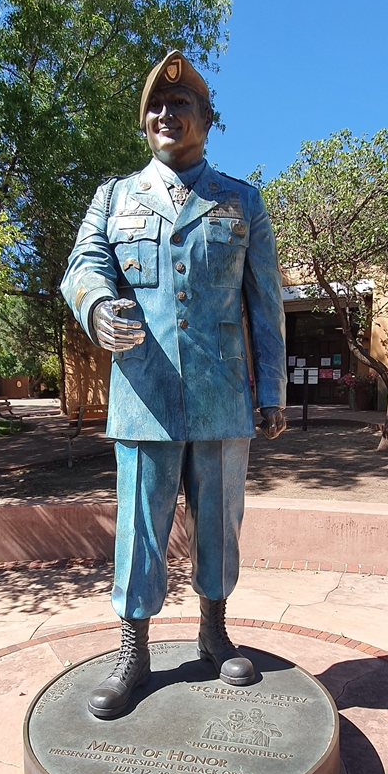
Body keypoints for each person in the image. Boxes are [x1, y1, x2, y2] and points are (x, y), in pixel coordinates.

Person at [61, 50, 286, 719]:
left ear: (206, 120)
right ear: (145, 123)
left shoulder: (241, 201)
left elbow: (265, 302)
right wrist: (98, 305)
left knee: (220, 523)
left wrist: (269, 387)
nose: (166, 115)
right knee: (140, 530)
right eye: (155, 107)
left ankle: (215, 634)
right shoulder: (115, 198)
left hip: (221, 396)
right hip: (143, 395)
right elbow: (83, 264)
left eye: (180, 105)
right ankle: (134, 653)